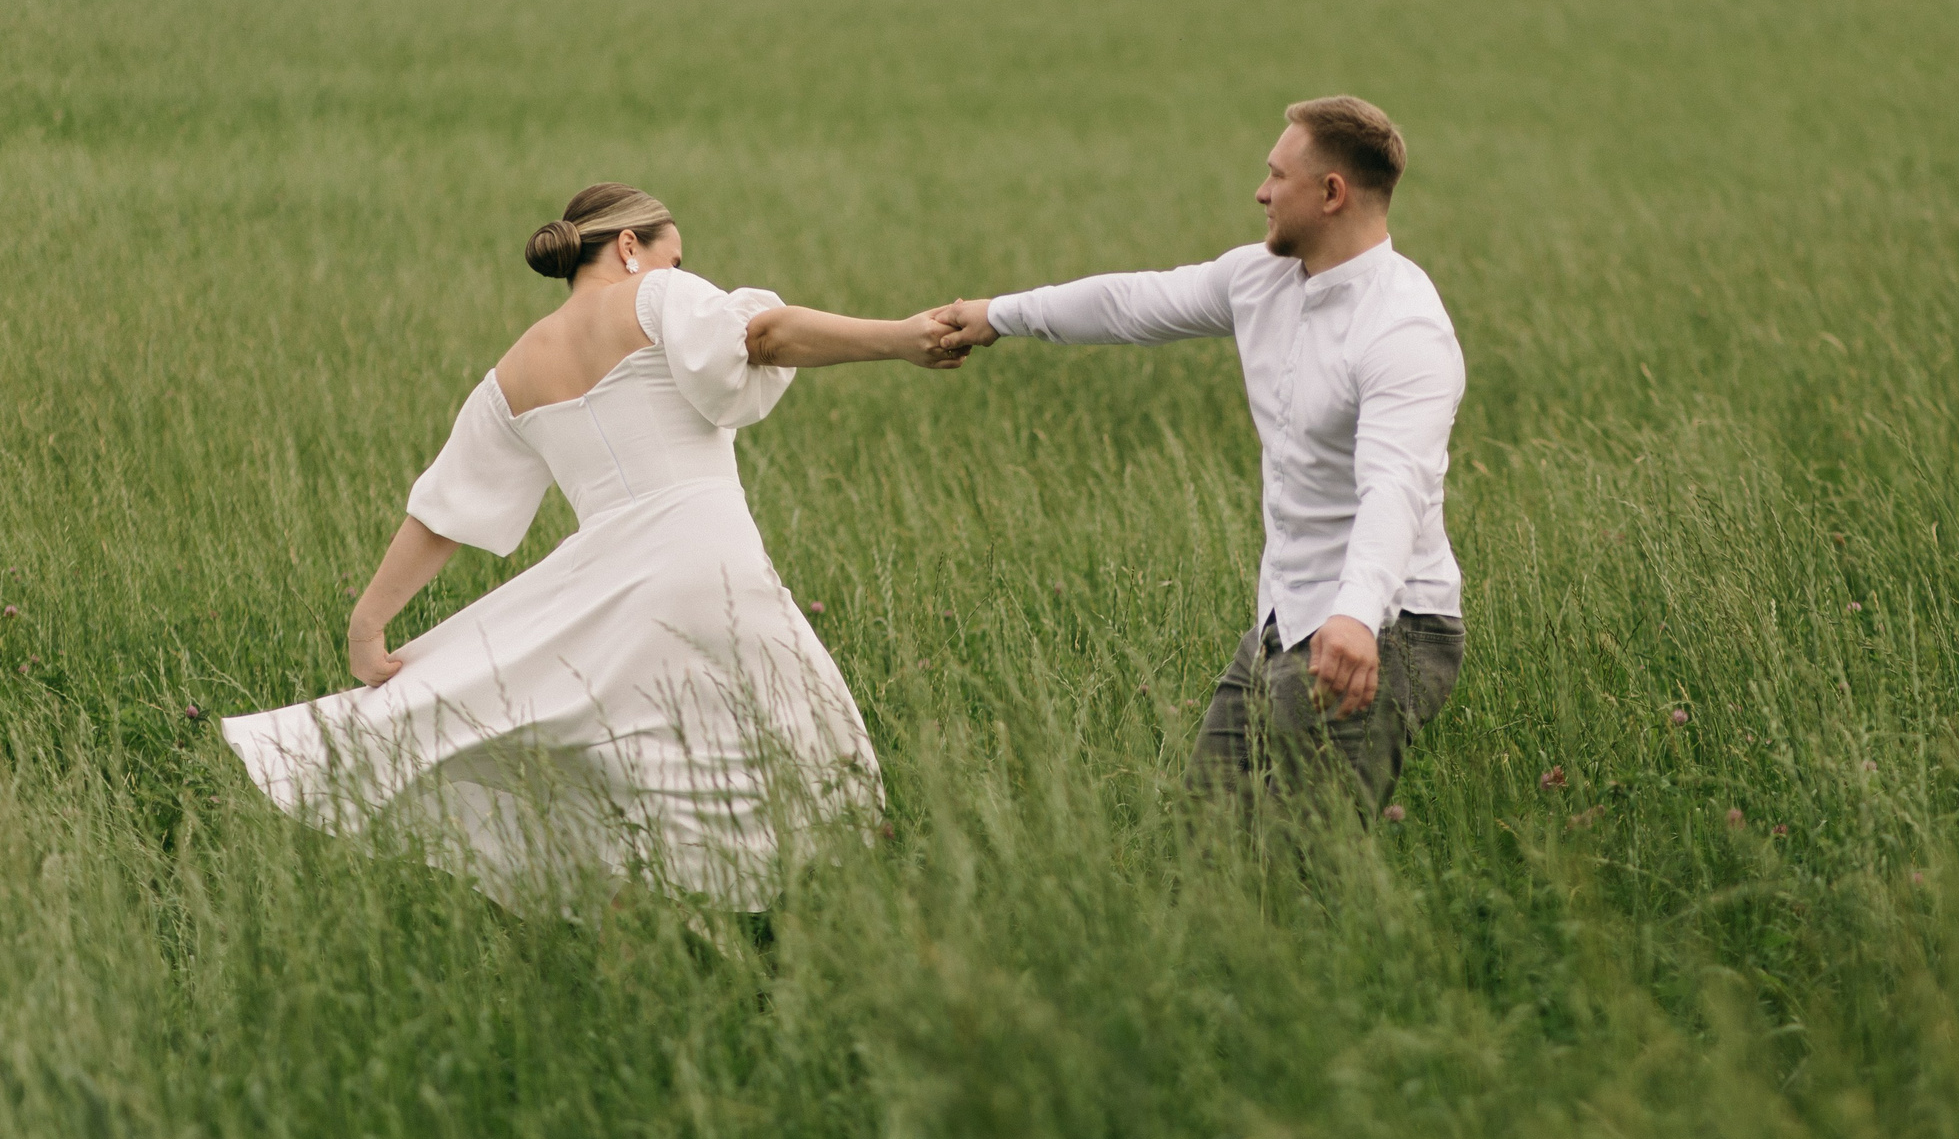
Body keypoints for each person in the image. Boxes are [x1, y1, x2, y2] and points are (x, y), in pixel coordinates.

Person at [223, 183, 967, 910]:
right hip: (710, 562)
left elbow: (445, 512)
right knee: (815, 760)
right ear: (629, 245)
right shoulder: (656, 296)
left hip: (610, 592)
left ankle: (657, 937)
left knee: (638, 778)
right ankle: (823, 929)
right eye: (676, 259)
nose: (683, 275)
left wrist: (368, 624)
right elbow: (763, 335)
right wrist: (901, 338)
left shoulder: (513, 368)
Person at [935, 95, 1466, 822]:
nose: (1261, 192)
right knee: (1205, 838)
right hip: (1287, 617)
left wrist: (1353, 615)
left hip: (1381, 625)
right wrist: (998, 314)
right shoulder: (1263, 279)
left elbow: (1393, 488)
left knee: (1304, 865)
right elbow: (1132, 303)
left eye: (1277, 176)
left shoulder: (1402, 328)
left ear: (1332, 193)